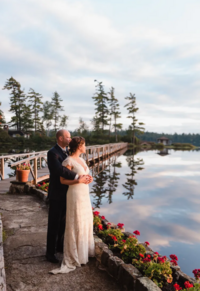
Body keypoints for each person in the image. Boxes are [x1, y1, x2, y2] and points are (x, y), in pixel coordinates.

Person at [50, 136, 95, 274]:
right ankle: (74, 253)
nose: (86, 147)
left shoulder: (81, 160)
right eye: (84, 145)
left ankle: (83, 251)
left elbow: (84, 174)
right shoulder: (67, 161)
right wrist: (78, 181)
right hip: (74, 193)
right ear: (79, 146)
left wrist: (89, 178)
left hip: (84, 194)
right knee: (75, 220)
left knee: (84, 220)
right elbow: (63, 181)